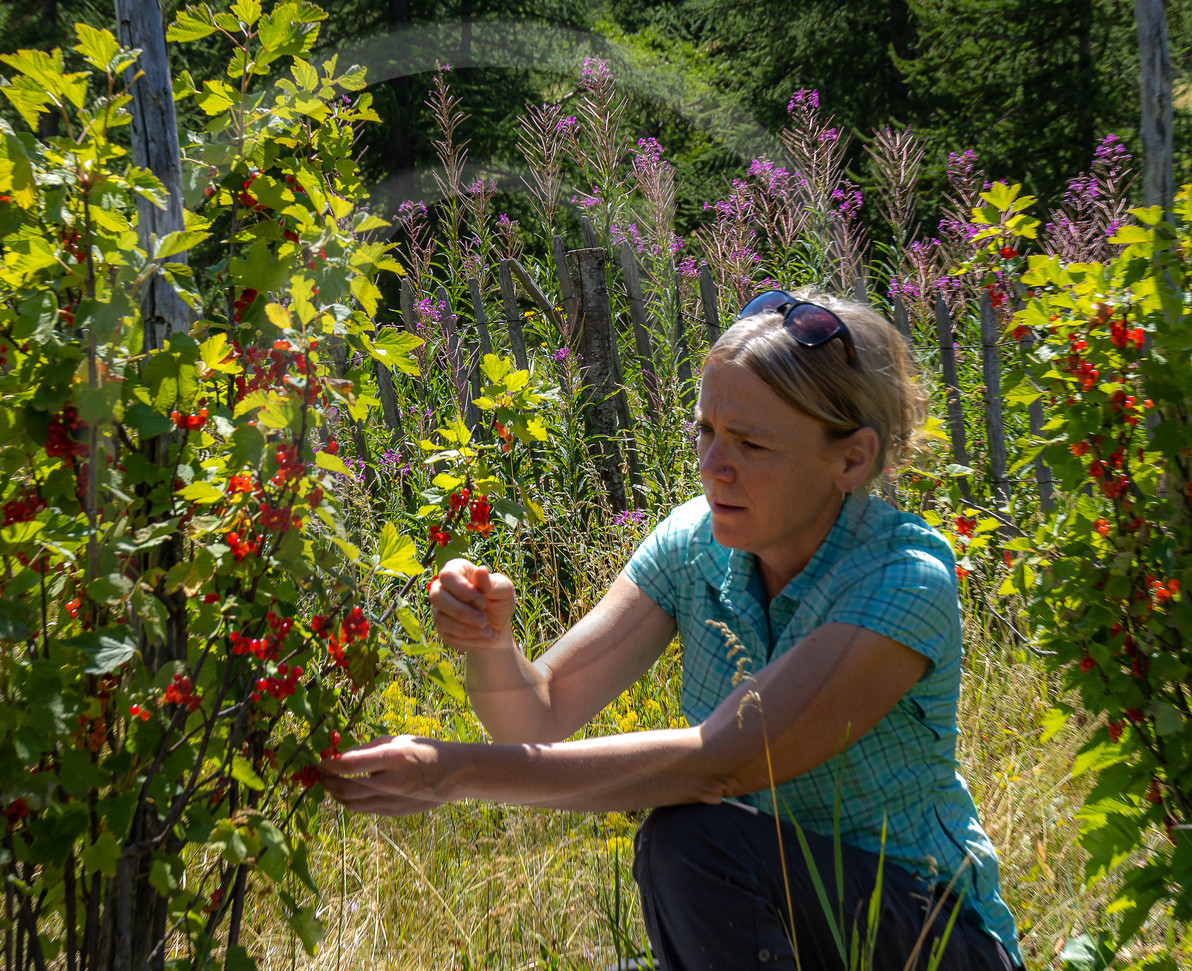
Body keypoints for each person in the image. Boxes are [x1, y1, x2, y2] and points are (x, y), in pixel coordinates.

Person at [319, 288, 1024, 971]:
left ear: (851, 458)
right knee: (694, 844)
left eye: (750, 443)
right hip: (785, 921)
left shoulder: (902, 578)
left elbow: (721, 761)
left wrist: (453, 771)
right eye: (707, 432)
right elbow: (538, 714)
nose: (712, 468)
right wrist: (490, 644)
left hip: (935, 934)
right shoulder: (694, 542)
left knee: (690, 839)